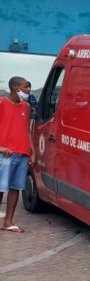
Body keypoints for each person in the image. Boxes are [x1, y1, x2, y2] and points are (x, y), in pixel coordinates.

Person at [0, 76, 36, 233]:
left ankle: (8, 222)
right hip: (5, 154)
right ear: (15, 88)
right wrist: (1, 148)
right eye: (26, 87)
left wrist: (32, 152)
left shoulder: (26, 106)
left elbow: (27, 129)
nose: (28, 90)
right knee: (0, 188)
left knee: (15, 188)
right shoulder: (1, 103)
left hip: (22, 153)